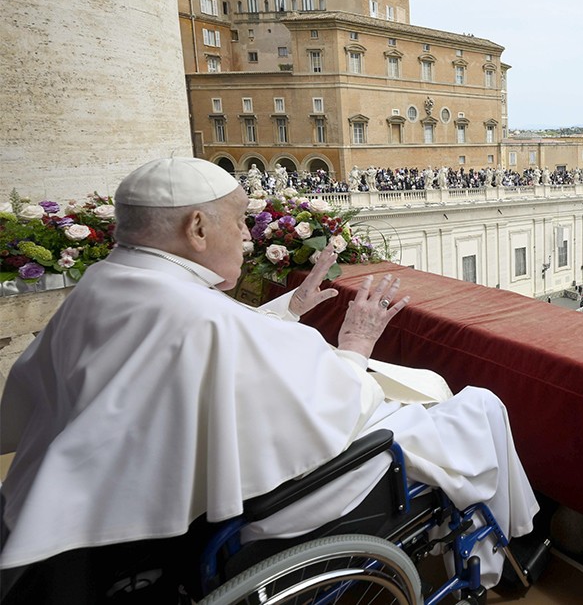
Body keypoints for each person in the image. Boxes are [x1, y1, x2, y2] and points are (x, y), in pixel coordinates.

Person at [0, 158, 537, 592]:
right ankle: (507, 544)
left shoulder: (110, 280)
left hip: (126, 492)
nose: (247, 237)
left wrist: (292, 307)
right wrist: (355, 343)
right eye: (238, 223)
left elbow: (214, 349)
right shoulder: (198, 313)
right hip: (281, 497)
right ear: (197, 226)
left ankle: (498, 540)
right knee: (478, 406)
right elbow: (329, 405)